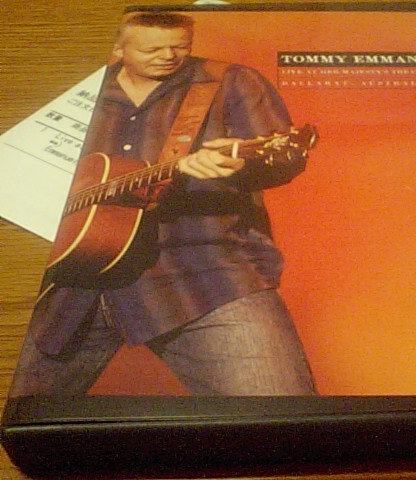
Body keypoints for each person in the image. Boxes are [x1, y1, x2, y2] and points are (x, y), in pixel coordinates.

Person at [10, 12, 316, 396]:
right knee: (17, 411)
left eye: (179, 47)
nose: (169, 56)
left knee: (277, 412)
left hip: (203, 274)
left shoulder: (232, 83)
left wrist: (240, 164)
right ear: (116, 47)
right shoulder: (76, 88)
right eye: (152, 49)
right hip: (71, 285)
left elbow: (282, 160)